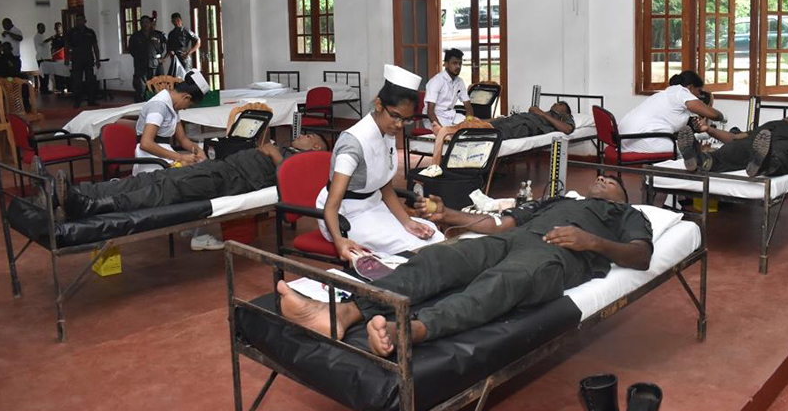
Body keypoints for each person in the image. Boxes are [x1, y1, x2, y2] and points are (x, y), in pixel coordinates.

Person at [276, 174, 652, 357]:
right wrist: (447, 214)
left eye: (611, 180)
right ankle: (346, 312)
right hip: (512, 239)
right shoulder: (555, 201)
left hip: (557, 255)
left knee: (504, 282)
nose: (601, 179)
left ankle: (413, 330)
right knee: (443, 257)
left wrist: (592, 242)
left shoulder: (627, 214)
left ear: (622, 195)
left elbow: (641, 255)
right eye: (599, 177)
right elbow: (497, 224)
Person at [319, 64, 446, 260]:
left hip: (372, 206)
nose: (399, 125)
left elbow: (384, 186)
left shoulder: (386, 132)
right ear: (378, 104)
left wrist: (407, 222)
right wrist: (339, 240)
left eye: (406, 120)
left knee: (433, 235)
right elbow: (331, 205)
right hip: (346, 216)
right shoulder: (353, 144)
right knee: (414, 248)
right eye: (395, 116)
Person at [45, 133, 328, 220]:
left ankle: (92, 207)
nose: (302, 135)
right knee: (152, 178)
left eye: (309, 136)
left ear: (316, 147)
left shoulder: (302, 160)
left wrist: (271, 152)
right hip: (220, 168)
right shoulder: (287, 148)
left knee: (166, 188)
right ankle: (79, 192)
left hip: (230, 181)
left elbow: (286, 179)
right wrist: (267, 149)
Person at [420, 101, 576, 174]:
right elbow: (528, 110)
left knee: (489, 129)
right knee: (477, 121)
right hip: (514, 119)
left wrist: (541, 113)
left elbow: (567, 130)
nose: (556, 102)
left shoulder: (564, 119)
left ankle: (449, 133)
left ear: (565, 112)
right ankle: (451, 132)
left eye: (560, 103)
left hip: (522, 128)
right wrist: (537, 111)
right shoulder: (544, 112)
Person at [677, 116, 788, 177]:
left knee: (783, 153)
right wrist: (709, 130)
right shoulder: (768, 127)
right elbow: (733, 137)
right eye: (787, 118)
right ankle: (703, 160)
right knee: (735, 148)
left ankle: (765, 164)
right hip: (757, 142)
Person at [619, 70, 725, 154]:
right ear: (691, 87)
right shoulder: (681, 92)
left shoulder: (667, 93)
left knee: (688, 145)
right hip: (641, 140)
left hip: (624, 139)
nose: (699, 95)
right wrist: (722, 117)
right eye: (699, 91)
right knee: (693, 152)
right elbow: (715, 115)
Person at [133, 70, 211, 175]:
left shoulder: (172, 106)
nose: (185, 109)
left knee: (197, 169)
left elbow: (182, 139)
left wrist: (198, 150)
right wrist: (180, 157)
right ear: (186, 97)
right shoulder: (158, 106)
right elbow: (146, 144)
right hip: (150, 157)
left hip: (163, 155)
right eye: (189, 105)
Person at [422, 48, 473, 128]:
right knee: (454, 134)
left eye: (460, 64)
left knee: (475, 126)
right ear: (445, 64)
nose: (458, 66)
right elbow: (430, 112)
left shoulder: (460, 82)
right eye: (454, 63)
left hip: (451, 115)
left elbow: (468, 106)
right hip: (435, 117)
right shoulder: (436, 81)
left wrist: (469, 121)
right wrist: (441, 130)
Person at [128, 15, 167, 102]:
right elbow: (131, 50)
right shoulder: (135, 36)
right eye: (143, 22)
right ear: (140, 24)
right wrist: (141, 57)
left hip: (153, 65)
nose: (145, 24)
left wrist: (160, 59)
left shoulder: (156, 35)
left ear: (150, 24)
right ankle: (139, 108)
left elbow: (160, 50)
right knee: (141, 89)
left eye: (147, 22)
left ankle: (153, 106)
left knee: (154, 88)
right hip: (140, 67)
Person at [64, 15, 100, 108]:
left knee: (90, 80)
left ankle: (91, 100)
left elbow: (95, 46)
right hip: (76, 59)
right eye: (77, 20)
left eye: (81, 20)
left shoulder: (90, 32)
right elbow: (67, 46)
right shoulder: (71, 32)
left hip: (88, 58)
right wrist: (66, 58)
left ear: (85, 21)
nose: (79, 22)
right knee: (77, 81)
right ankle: (77, 101)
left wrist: (98, 59)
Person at [33, 23, 54, 94]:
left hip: (46, 57)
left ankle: (46, 88)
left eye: (44, 27)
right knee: (43, 74)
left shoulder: (43, 35)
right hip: (41, 58)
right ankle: (43, 89)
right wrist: (50, 38)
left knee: (46, 74)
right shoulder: (37, 36)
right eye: (42, 27)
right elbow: (42, 44)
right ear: (38, 28)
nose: (44, 29)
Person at [49, 22, 67, 93]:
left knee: (63, 72)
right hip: (55, 57)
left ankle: (64, 87)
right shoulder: (54, 37)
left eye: (59, 27)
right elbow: (53, 47)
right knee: (57, 73)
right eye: (56, 27)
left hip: (62, 57)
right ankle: (59, 88)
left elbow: (65, 46)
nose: (57, 29)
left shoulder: (64, 37)